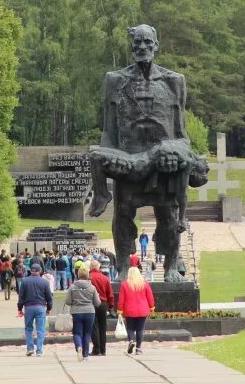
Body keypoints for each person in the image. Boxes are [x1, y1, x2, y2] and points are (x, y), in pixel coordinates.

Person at [87, 24, 209, 281]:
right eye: (137, 43)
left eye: (147, 43)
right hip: (129, 159)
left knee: (169, 215)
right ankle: (122, 267)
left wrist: (177, 152)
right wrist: (110, 161)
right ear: (132, 47)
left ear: (156, 46)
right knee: (122, 213)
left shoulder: (174, 81)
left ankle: (172, 267)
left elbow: (181, 133)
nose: (142, 47)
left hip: (165, 162)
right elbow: (109, 130)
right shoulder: (115, 80)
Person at [17, 262, 54, 357]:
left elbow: (21, 297)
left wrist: (20, 308)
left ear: (31, 271)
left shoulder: (25, 281)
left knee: (28, 328)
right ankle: (39, 350)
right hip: (40, 307)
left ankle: (30, 348)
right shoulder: (44, 282)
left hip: (28, 307)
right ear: (40, 271)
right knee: (40, 329)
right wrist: (49, 308)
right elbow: (49, 297)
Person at [65, 265, 100, 361]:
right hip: (89, 312)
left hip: (76, 312)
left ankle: (78, 347)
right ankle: (85, 355)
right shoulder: (92, 287)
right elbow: (97, 302)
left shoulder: (72, 287)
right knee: (87, 333)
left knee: (77, 332)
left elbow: (67, 301)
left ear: (78, 274)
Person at [117, 266, 155, 355]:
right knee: (140, 329)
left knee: (130, 328)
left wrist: (120, 310)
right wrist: (151, 307)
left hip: (129, 310)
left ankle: (131, 341)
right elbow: (150, 297)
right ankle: (138, 348)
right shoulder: (144, 283)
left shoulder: (124, 284)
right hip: (142, 309)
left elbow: (121, 299)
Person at [88, 259, 115, 356]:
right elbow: (110, 294)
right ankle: (103, 349)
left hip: (91, 303)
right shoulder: (105, 278)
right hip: (103, 303)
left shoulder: (88, 278)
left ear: (90, 267)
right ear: (98, 267)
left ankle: (96, 349)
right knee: (103, 327)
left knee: (94, 326)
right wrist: (111, 306)